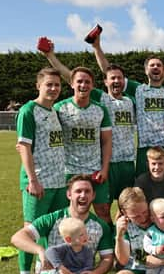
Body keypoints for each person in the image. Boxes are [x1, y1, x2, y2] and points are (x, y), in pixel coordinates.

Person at [41, 39, 136, 203]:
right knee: (100, 206)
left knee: (125, 204)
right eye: (112, 78)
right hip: (107, 162)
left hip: (128, 161)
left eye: (120, 78)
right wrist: (51, 57)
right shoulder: (102, 98)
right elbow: (70, 75)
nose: (116, 81)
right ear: (105, 82)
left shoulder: (132, 100)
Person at [15, 67, 67, 274]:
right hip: (38, 181)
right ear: (38, 86)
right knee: (30, 230)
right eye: (49, 84)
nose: (54, 88)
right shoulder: (28, 111)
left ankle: (46, 269)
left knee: (54, 230)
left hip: (58, 181)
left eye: (57, 85)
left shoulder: (55, 111)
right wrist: (33, 180)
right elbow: (24, 147)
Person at [92, 36, 164, 175]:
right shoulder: (138, 89)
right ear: (146, 71)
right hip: (144, 148)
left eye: (159, 65)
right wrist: (97, 47)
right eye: (152, 65)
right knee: (142, 191)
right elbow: (109, 72)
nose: (155, 67)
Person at [54, 67, 113, 225]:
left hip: (94, 170)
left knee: (103, 211)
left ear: (92, 85)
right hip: (69, 170)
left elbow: (107, 141)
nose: (83, 85)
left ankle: (109, 248)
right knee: (68, 212)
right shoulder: (59, 108)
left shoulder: (100, 110)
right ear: (72, 84)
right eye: (79, 81)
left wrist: (104, 168)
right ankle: (68, 246)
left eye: (87, 82)